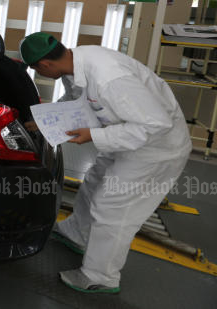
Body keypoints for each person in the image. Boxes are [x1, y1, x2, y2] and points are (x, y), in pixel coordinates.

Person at [20, 32, 191, 294]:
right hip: (124, 134)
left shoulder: (109, 78)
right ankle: (76, 233)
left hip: (156, 148)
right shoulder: (73, 64)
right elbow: (75, 103)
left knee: (113, 208)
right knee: (94, 182)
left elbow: (156, 124)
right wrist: (46, 121)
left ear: (44, 66)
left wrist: (94, 135)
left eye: (35, 69)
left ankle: (100, 276)